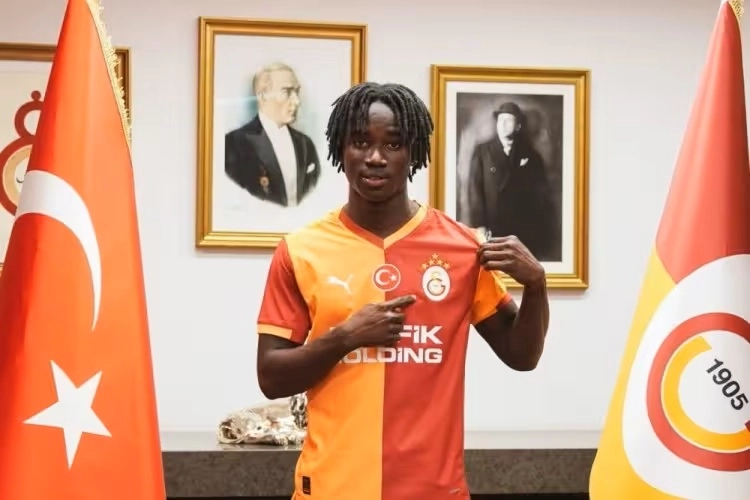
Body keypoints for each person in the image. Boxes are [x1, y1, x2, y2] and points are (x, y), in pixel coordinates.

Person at [255, 82, 550, 500]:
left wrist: (536, 286)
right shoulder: (301, 250)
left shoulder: (462, 248)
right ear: (341, 148)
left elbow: (522, 356)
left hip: (432, 490)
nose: (375, 157)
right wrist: (345, 337)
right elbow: (270, 376)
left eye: (393, 144)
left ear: (414, 153)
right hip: (332, 488)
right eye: (361, 142)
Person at [466, 101, 559, 261]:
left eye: (509, 120)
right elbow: (475, 189)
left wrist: (533, 229)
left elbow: (540, 196)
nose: (503, 124)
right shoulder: (482, 152)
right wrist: (480, 225)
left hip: (521, 231)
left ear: (518, 126)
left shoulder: (532, 156)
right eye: (500, 120)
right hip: (492, 228)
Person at [224, 62, 321, 207]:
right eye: (287, 92)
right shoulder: (234, 144)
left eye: (296, 92)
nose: (296, 101)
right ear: (263, 96)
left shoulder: (305, 143)